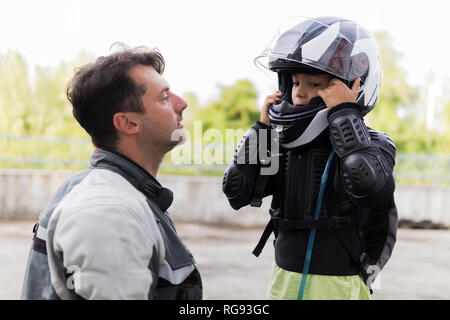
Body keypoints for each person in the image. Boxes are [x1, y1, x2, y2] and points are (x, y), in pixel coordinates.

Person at [222, 17, 397, 300]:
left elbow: (369, 186)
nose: (300, 93)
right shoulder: (285, 146)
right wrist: (261, 132)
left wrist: (344, 114)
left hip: (339, 285)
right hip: (284, 281)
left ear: (352, 86)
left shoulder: (374, 144)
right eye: (295, 83)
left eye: (314, 83)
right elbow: (236, 191)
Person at [21, 44, 202, 300]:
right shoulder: (109, 211)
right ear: (127, 123)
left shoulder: (114, 193)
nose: (181, 103)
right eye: (163, 97)